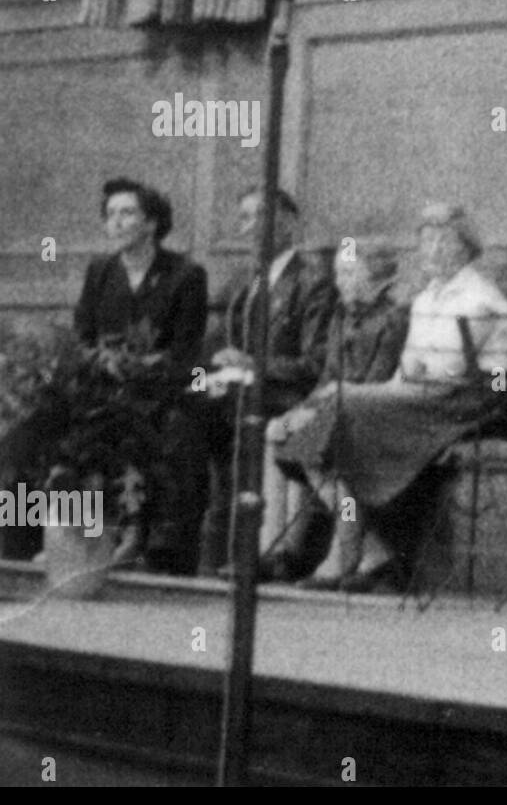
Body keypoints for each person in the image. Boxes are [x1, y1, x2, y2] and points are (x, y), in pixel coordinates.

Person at [284, 202, 507, 594]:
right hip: (416, 395)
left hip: (459, 403)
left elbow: (453, 368)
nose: (433, 250)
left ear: (465, 247)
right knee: (322, 434)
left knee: (339, 408)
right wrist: (388, 386)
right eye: (426, 241)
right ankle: (368, 551)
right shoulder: (426, 298)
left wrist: (382, 387)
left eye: (445, 241)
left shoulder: (481, 297)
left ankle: (349, 552)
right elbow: (410, 366)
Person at [68, 179, 208, 570]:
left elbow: (185, 352)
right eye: (110, 214)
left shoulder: (185, 274)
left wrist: (141, 368)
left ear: (151, 223)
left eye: (127, 213)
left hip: (159, 389)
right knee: (70, 423)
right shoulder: (100, 270)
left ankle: (143, 537)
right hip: (103, 385)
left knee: (160, 427)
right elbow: (82, 337)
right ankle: (78, 534)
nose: (116, 222)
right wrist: (101, 361)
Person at [198, 187, 337, 576]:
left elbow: (313, 364)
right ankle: (204, 542)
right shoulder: (248, 282)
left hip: (291, 394)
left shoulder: (312, 282)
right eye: (244, 218)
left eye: (259, 216)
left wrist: (251, 364)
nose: (249, 228)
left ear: (288, 223)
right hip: (250, 388)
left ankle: (255, 550)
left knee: (226, 411)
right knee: (190, 403)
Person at [259, 236, 410, 585]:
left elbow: (376, 380)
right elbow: (327, 376)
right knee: (284, 434)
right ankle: (364, 551)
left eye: (349, 272)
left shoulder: (393, 319)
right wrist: (302, 410)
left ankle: (342, 553)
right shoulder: (340, 317)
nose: (340, 282)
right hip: (339, 408)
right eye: (338, 273)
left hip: (372, 411)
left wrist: (315, 413)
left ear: (377, 277)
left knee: (329, 456)